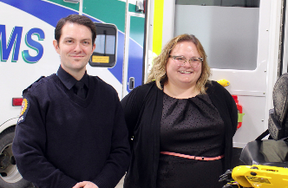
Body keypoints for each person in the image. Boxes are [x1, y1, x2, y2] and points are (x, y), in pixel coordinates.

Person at [12, 14, 130, 188]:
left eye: (85, 42)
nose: (78, 48)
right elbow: (26, 155)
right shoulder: (39, 95)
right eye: (69, 41)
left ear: (92, 47)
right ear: (56, 46)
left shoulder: (108, 95)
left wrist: (99, 184)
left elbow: (121, 151)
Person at [121, 34, 238, 188]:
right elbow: (117, 137)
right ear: (165, 60)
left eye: (195, 59)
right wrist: (138, 163)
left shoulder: (218, 94)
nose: (187, 65)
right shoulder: (143, 96)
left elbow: (230, 128)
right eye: (180, 58)